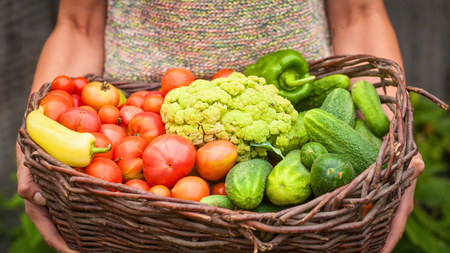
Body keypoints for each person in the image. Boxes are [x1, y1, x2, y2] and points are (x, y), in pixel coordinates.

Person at [16, 0, 424, 252]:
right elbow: (77, 25)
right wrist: (40, 138)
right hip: (135, 145)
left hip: (303, 142)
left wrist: (391, 146)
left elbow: (360, 14)